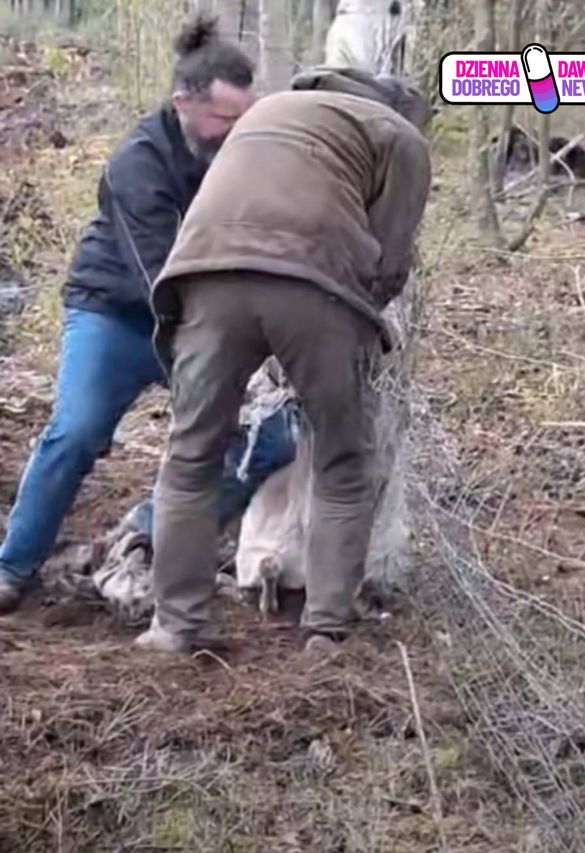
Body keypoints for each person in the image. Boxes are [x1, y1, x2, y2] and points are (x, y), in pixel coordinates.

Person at [0, 14, 296, 616]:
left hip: (201, 320)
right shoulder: (137, 163)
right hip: (119, 315)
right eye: (223, 119)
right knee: (77, 431)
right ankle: (14, 564)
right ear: (182, 101)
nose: (234, 131)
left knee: (273, 439)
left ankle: (144, 533)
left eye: (245, 116)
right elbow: (163, 279)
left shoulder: (242, 151)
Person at [132, 67, 432, 657]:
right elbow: (390, 258)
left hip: (204, 274)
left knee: (191, 457)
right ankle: (327, 626)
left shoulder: (270, 110)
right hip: (314, 283)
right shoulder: (398, 136)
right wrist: (353, 329)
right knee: (343, 459)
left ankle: (176, 625)